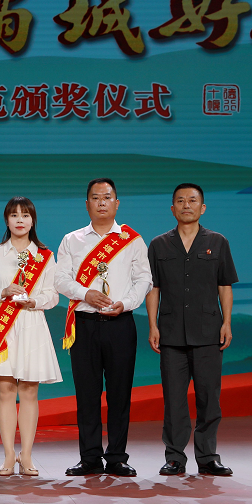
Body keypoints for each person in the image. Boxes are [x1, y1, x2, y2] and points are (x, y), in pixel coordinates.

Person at [54, 178, 152, 477]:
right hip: (84, 325)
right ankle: (90, 458)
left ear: (116, 203)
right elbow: (60, 280)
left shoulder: (132, 240)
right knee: (87, 395)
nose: (101, 202)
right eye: (95, 197)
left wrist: (126, 303)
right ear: (87, 204)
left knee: (120, 394)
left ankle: (117, 457)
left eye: (107, 197)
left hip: (120, 324)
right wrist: (86, 293)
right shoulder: (72, 240)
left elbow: (144, 280)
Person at [146, 183, 237, 477]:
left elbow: (224, 285)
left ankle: (208, 457)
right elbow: (153, 288)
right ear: (172, 208)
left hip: (209, 332)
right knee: (174, 400)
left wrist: (226, 322)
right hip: (171, 333)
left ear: (203, 207)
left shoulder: (218, 242)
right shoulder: (159, 244)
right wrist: (152, 324)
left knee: (209, 398)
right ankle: (174, 457)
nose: (187, 205)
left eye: (193, 200)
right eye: (181, 201)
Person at [0, 197, 61, 476]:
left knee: (30, 392)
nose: (20, 220)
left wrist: (34, 301)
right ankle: (9, 455)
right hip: (2, 326)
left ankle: (27, 455)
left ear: (33, 220)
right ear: (7, 220)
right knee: (5, 391)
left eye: (25, 215)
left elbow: (53, 295)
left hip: (32, 324)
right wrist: (3, 292)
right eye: (14, 215)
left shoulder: (44, 255)